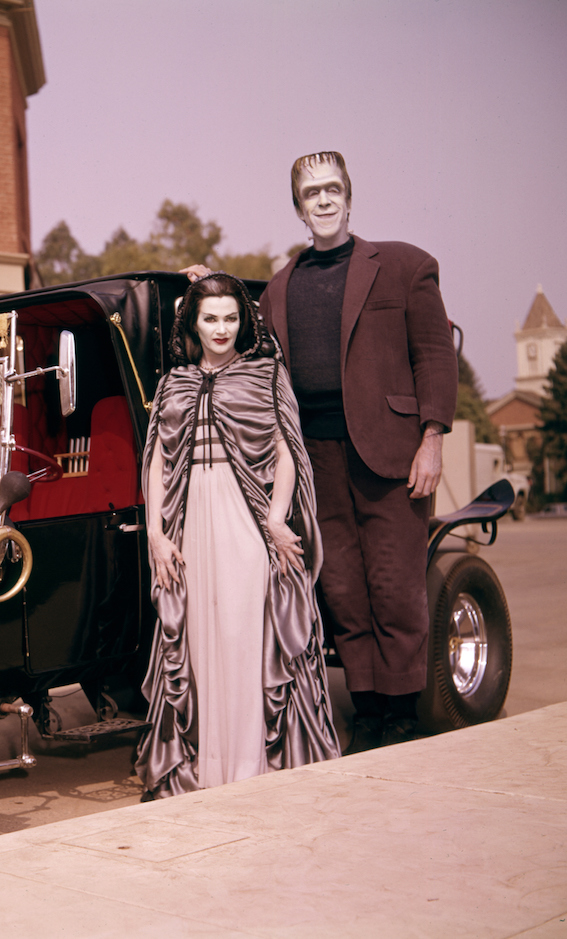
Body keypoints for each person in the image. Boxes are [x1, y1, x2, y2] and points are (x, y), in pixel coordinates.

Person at [190, 151, 458, 750]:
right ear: (298, 207)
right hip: (315, 459)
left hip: (391, 453)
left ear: (349, 195)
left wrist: (433, 436)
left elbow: (435, 355)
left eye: (333, 188)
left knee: (395, 586)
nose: (325, 200)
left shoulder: (404, 266)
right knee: (341, 588)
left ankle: (401, 713)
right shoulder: (282, 285)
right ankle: (366, 711)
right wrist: (208, 286)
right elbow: (247, 350)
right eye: (312, 193)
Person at [135, 272, 340, 800]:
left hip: (246, 522)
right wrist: (156, 535)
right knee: (201, 642)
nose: (221, 329)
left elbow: (287, 450)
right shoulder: (172, 383)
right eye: (211, 319)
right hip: (190, 528)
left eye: (230, 318)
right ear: (194, 323)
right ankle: (210, 773)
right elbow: (157, 461)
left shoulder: (266, 375)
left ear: (242, 320)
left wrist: (276, 519)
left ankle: (252, 771)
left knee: (247, 638)